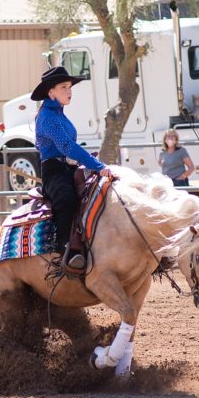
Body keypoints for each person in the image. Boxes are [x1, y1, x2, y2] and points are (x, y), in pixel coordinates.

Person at [32, 65, 115, 274]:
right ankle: (64, 252)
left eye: (69, 87)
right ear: (50, 92)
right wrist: (97, 165)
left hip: (68, 168)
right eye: (63, 87)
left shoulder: (58, 114)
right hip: (54, 171)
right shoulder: (47, 117)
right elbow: (67, 146)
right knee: (66, 200)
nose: (69, 91)